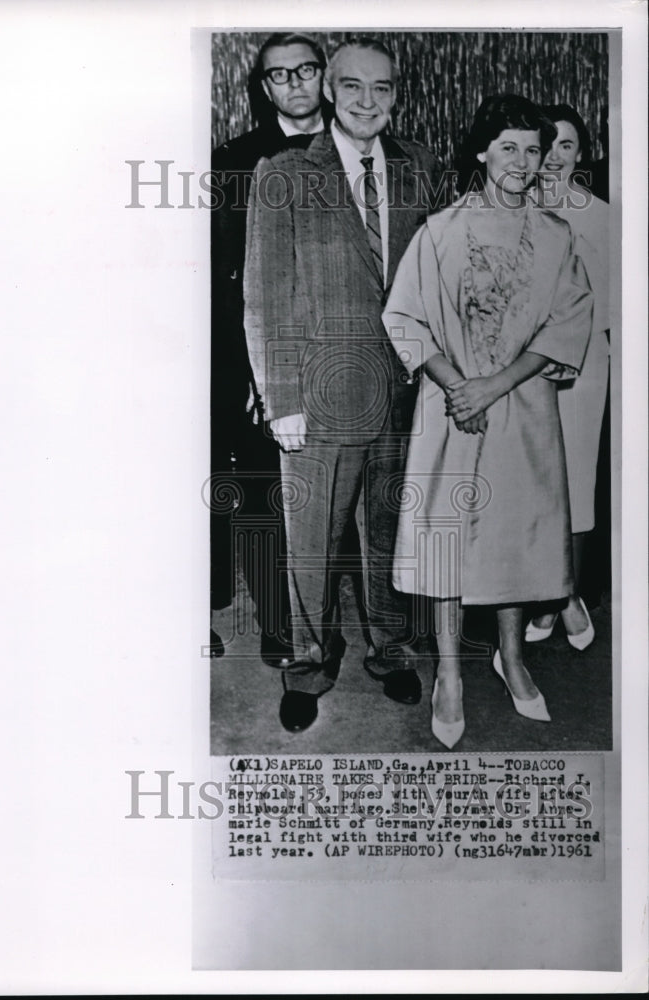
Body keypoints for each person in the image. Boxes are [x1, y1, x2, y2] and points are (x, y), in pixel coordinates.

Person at [244, 38, 444, 732]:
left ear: (396, 95)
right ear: (328, 89)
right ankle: (307, 664)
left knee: (388, 530)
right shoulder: (284, 171)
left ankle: (390, 651)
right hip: (318, 394)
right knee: (311, 543)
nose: (367, 102)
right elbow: (266, 296)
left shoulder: (419, 168)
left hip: (403, 388)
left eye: (382, 89)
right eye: (352, 87)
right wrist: (283, 400)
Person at [382, 94, 593, 748]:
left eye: (533, 150)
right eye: (508, 147)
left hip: (523, 409)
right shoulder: (440, 231)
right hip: (450, 413)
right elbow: (405, 317)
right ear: (480, 152)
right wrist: (456, 387)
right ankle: (448, 673)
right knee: (446, 539)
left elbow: (567, 322)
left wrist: (494, 386)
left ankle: (512, 656)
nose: (522, 162)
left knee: (517, 536)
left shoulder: (556, 236)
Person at [210, 33, 327, 667]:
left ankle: (332, 625)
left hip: (346, 357)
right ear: (265, 88)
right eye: (281, 76)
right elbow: (228, 277)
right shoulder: (235, 161)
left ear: (325, 76)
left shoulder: (362, 150)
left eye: (307, 69)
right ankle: (281, 631)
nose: (296, 84)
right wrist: (257, 377)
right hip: (266, 360)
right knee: (263, 494)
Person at [524, 104, 610, 650]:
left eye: (567, 146)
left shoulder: (601, 214)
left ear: (581, 154)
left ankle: (568, 596)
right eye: (546, 144)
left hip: (582, 369)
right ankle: (540, 591)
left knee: (576, 484)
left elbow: (617, 305)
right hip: (524, 371)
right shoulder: (511, 209)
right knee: (530, 483)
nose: (555, 157)